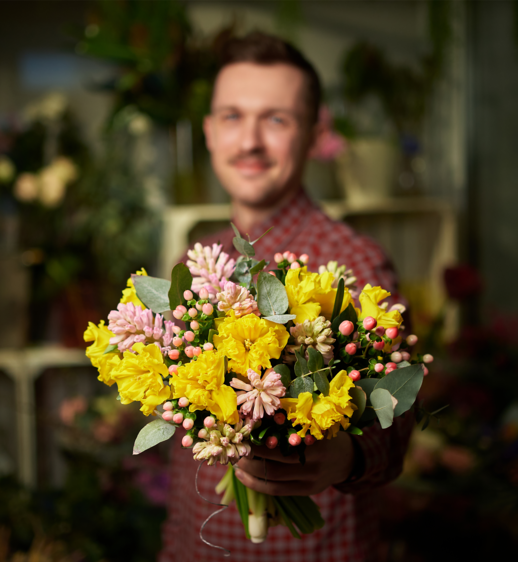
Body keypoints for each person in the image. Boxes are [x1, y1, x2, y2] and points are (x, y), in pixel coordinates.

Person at [158, 32, 414, 562]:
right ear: (208, 131)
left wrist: (345, 456)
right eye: (231, 116)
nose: (249, 141)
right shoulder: (193, 261)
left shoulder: (355, 262)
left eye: (276, 119)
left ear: (315, 134)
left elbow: (398, 421)